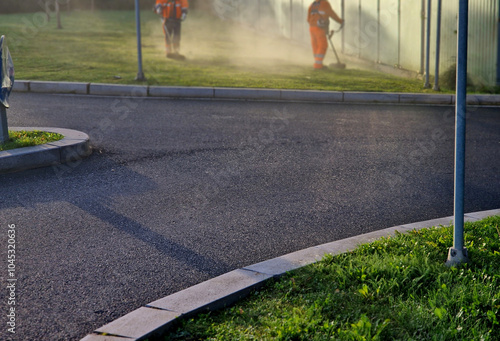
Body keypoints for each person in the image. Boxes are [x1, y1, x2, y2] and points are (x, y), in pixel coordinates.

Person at [307, 0, 343, 70]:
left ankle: (317, 62)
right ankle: (318, 65)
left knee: (316, 45)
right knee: (323, 45)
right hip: (319, 28)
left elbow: (308, 19)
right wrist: (340, 21)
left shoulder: (312, 5)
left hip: (312, 28)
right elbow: (332, 14)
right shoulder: (325, 3)